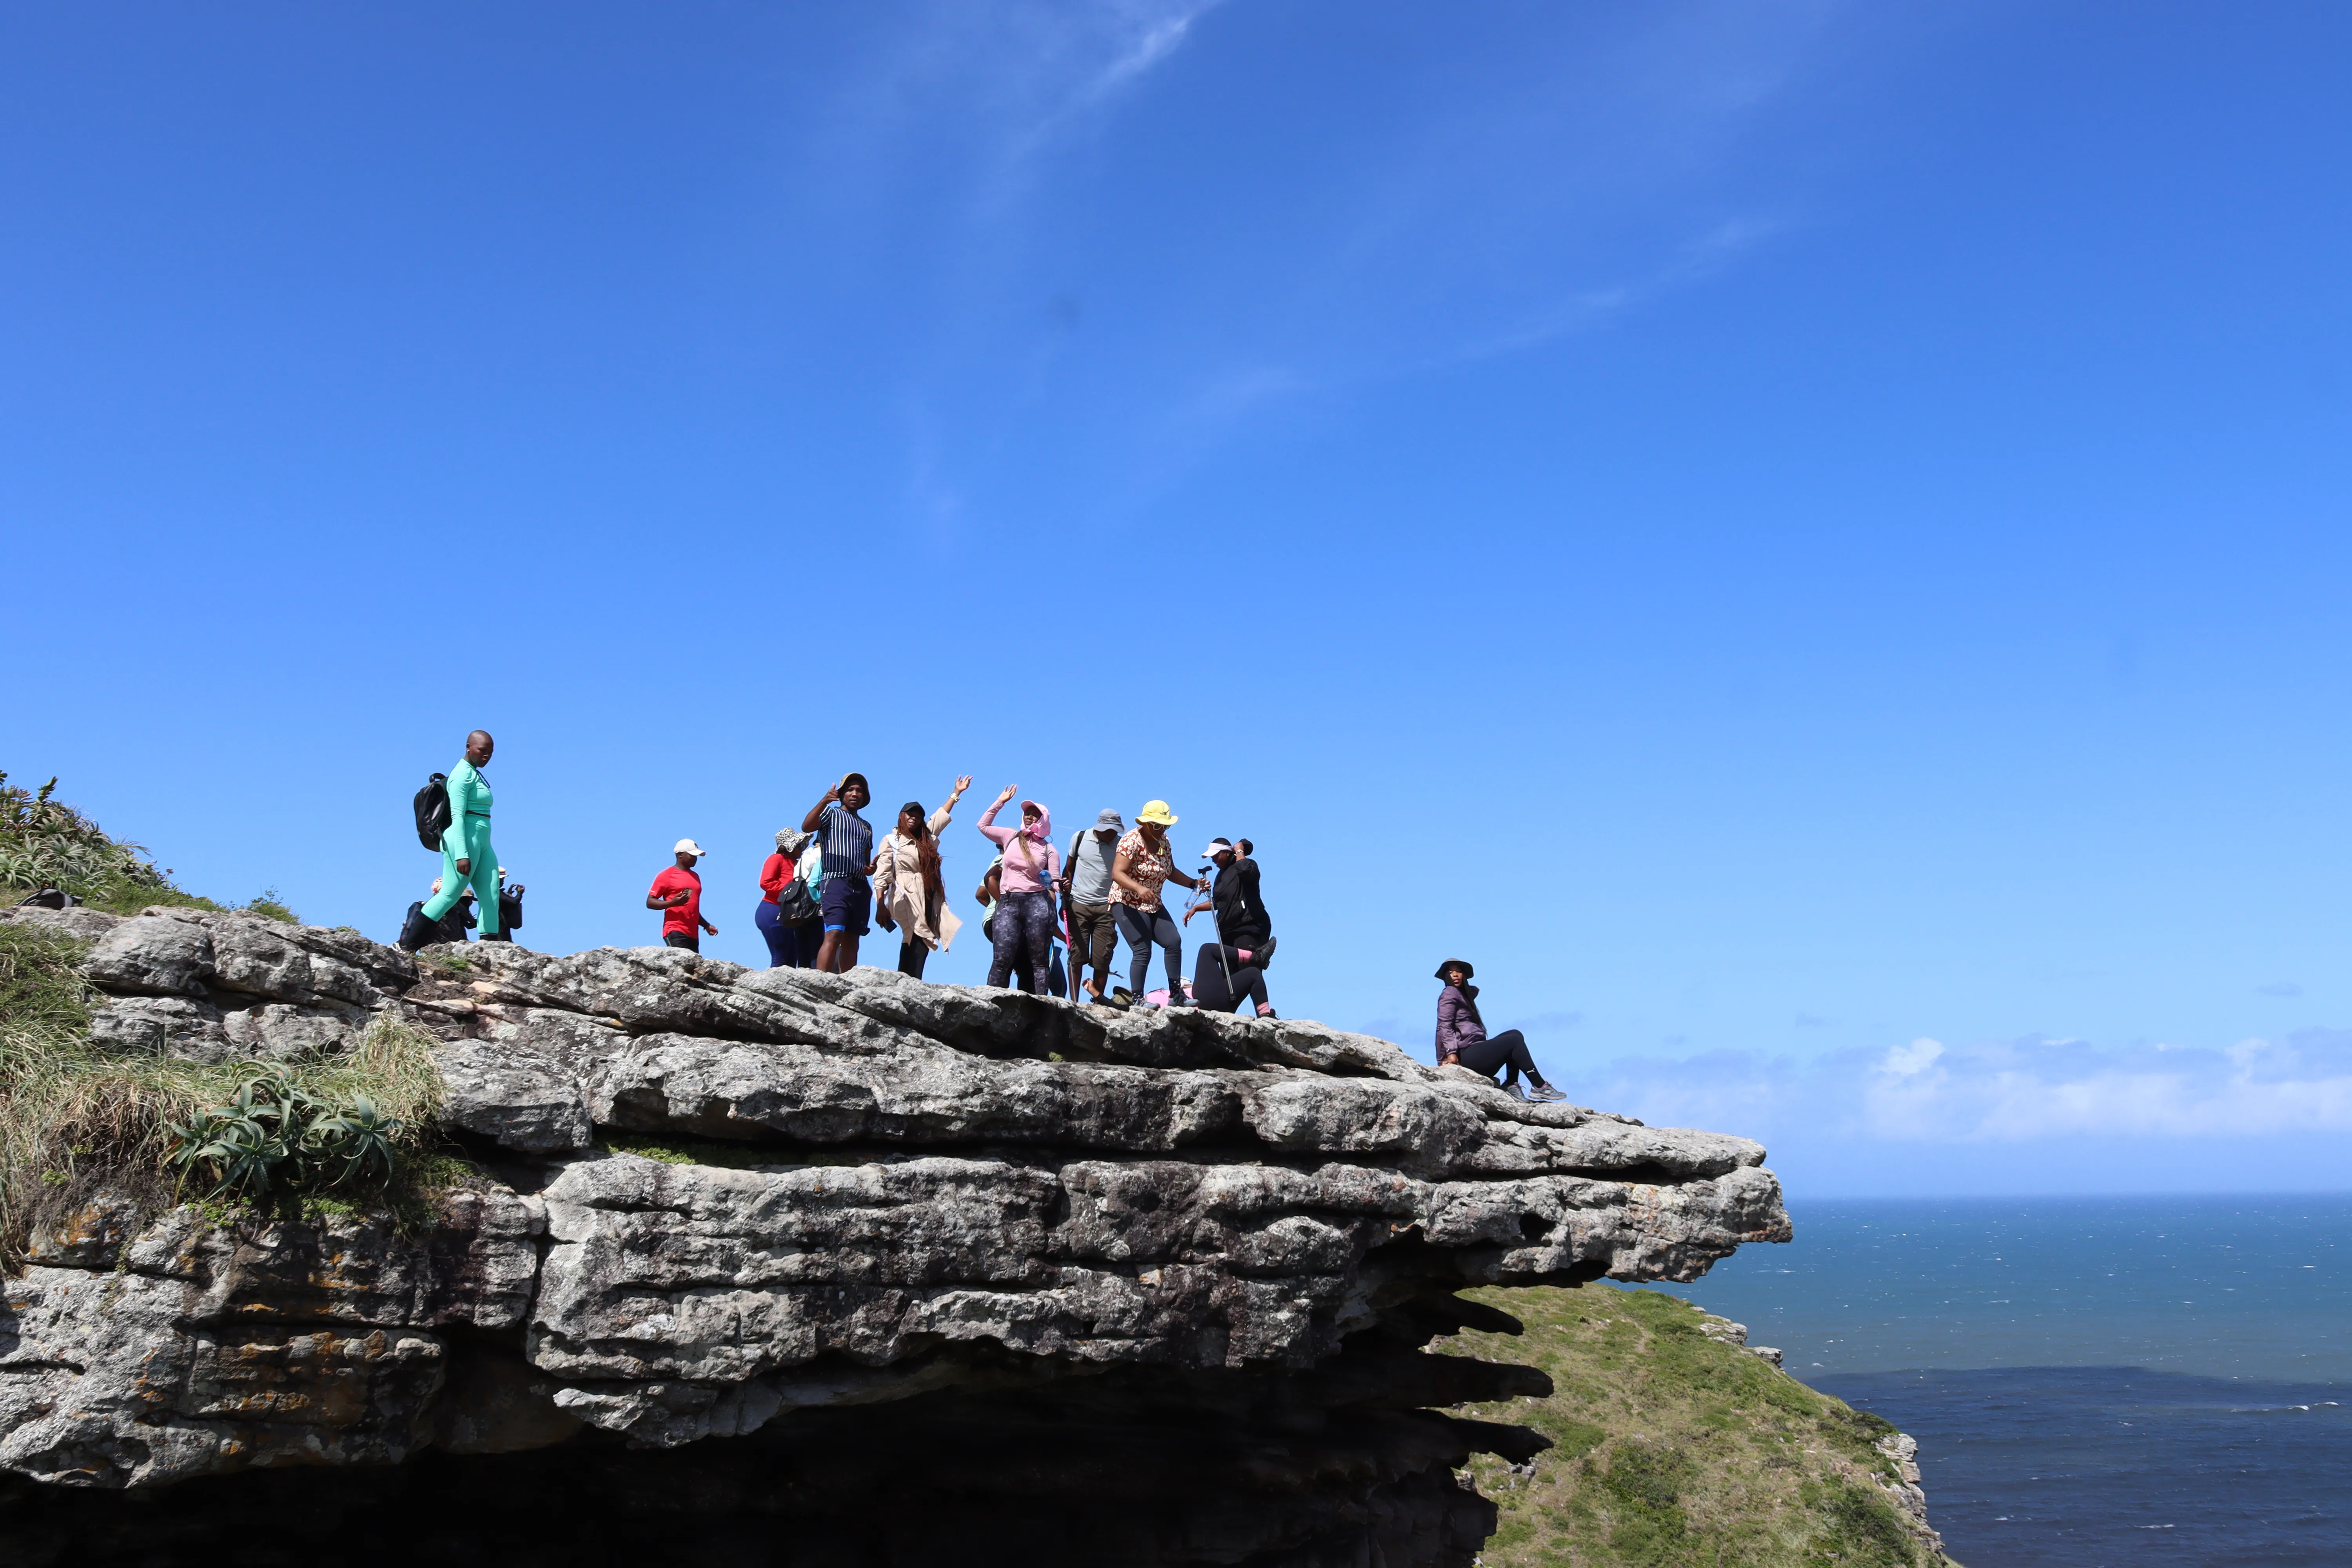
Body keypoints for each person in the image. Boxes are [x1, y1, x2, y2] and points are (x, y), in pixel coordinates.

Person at [402, 730, 506, 951]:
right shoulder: (461, 774)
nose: (487, 756)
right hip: (464, 838)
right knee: (450, 893)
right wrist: (461, 854)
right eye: (482, 751)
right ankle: (406, 945)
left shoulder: (476, 774)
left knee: (491, 891)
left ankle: (489, 949)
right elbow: (457, 817)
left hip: (482, 839)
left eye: (491, 753)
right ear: (469, 747)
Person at [1110, 800, 1205, 1007]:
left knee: (1173, 942)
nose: (1161, 829)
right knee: (1143, 950)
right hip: (1127, 902)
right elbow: (1117, 873)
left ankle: (1176, 996)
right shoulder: (1131, 840)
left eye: (1165, 825)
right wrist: (1139, 888)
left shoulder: (1164, 842)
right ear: (1145, 823)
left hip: (1153, 903)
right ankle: (1137, 1000)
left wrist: (1193, 883)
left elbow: (1170, 871)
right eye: (1156, 825)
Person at [873, 778, 971, 979]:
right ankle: (907, 978)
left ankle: (910, 979)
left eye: (918, 816)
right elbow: (882, 873)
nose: (914, 818)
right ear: (902, 816)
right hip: (905, 893)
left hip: (927, 893)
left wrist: (956, 793)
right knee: (917, 932)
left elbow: (940, 817)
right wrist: (880, 904)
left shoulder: (925, 838)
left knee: (923, 934)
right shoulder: (892, 841)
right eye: (910, 814)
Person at [1434, 959, 1565, 1102]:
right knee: (1513, 1041)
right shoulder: (1449, 993)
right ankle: (1539, 1086)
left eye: (1459, 971)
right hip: (1464, 1056)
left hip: (1474, 1050)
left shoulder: (1463, 996)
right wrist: (1450, 1053)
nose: (1455, 975)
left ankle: (1511, 1085)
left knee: (1515, 1034)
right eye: (1451, 972)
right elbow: (1444, 1024)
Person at [976, 786, 1062, 994]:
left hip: (1037, 903)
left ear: (1044, 820)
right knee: (1002, 957)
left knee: (1039, 960)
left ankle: (1040, 1004)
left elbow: (1054, 883)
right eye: (1027, 814)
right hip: (1008, 902)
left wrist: (1062, 888)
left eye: (1035, 815)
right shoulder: (1011, 836)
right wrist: (1001, 801)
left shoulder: (1049, 850)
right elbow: (983, 825)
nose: (1030, 817)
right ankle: (991, 1001)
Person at [802, 772, 877, 973]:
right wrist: (825, 801)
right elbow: (807, 826)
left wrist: (870, 869)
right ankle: (821, 981)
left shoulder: (866, 827)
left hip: (860, 885)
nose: (855, 794)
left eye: (860, 791)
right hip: (835, 880)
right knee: (834, 933)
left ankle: (847, 983)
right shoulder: (831, 814)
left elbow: (866, 861)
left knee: (853, 939)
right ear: (842, 794)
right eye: (850, 790)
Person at [1058, 809, 1125, 1006]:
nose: (1112, 834)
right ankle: (1074, 1002)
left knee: (1103, 958)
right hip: (1079, 904)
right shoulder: (1079, 838)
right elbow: (1069, 868)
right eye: (1109, 831)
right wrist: (1066, 894)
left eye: (1115, 831)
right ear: (1100, 827)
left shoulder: (1121, 845)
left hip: (1107, 907)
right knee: (1076, 956)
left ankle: (1098, 1002)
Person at [1185, 837, 1276, 971]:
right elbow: (1218, 901)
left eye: (1216, 856)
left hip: (1248, 927)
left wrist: (1239, 850)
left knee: (1248, 972)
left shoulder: (1248, 864)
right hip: (1228, 931)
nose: (1214, 861)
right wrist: (1196, 908)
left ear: (1227, 853)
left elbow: (1245, 870)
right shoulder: (1221, 876)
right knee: (1229, 981)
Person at [757, 829, 826, 969]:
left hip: (789, 913)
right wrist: (791, 894)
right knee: (780, 957)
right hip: (773, 910)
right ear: (790, 846)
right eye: (800, 845)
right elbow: (766, 882)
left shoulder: (795, 863)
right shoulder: (776, 859)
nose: (803, 848)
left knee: (792, 960)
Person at [648, 839, 719, 953]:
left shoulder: (695, 877)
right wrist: (672, 903)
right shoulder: (666, 875)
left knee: (693, 969)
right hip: (675, 930)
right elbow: (650, 902)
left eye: (697, 856)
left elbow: (692, 908)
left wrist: (706, 925)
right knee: (681, 967)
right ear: (680, 855)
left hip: (693, 934)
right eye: (692, 856)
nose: (696, 859)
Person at [1190, 939, 1273, 1018]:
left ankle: (1265, 1015)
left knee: (1254, 974)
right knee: (1207, 950)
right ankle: (1255, 957)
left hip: (1211, 1001)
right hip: (1205, 1001)